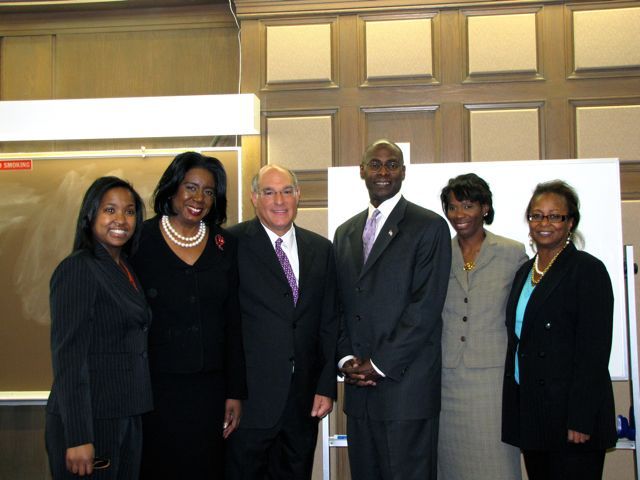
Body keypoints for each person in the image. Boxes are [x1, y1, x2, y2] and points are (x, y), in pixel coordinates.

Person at [333, 139, 452, 480]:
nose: (383, 171)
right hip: (359, 393)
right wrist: (346, 359)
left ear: (403, 172)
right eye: (375, 164)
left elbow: (425, 308)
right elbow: (339, 305)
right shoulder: (345, 232)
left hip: (407, 391)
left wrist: (378, 364)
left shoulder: (429, 226)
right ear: (362, 171)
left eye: (392, 164)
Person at [130, 151, 246, 479]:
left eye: (208, 191)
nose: (199, 198)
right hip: (154, 389)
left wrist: (235, 392)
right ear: (172, 189)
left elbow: (233, 322)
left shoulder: (225, 244)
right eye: (191, 187)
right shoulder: (139, 240)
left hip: (210, 391)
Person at [225, 164, 338, 480]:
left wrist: (325, 386)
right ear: (254, 198)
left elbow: (329, 322)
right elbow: (223, 323)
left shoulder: (321, 249)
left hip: (303, 402)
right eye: (269, 192)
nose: (279, 200)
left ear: (298, 195)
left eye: (287, 191)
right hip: (249, 403)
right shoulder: (230, 244)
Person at [502, 180, 616, 480]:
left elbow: (593, 351)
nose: (544, 223)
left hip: (570, 418)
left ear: (570, 223)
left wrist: (581, 418)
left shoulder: (587, 270)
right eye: (537, 215)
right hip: (533, 412)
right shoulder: (524, 272)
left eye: (555, 216)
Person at [45, 176, 152, 479]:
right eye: (110, 210)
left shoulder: (124, 267)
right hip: (91, 421)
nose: (121, 220)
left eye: (129, 212)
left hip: (125, 413)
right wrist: (78, 436)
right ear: (90, 214)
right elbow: (69, 358)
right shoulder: (78, 268)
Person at [437, 173, 526, 480]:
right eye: (452, 207)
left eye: (468, 205)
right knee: (450, 466)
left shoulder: (512, 252)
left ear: (485, 208)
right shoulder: (438, 252)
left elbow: (523, 313)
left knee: (496, 464)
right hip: (447, 380)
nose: (459, 214)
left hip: (493, 380)